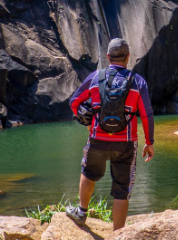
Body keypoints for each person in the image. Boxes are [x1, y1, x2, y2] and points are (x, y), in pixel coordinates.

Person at [66, 38, 155, 231]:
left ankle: (81, 213)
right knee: (122, 190)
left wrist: (88, 123)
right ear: (128, 57)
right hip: (126, 143)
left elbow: (74, 102)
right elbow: (147, 114)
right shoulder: (138, 81)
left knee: (88, 173)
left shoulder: (95, 77)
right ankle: (118, 234)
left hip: (98, 138)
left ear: (107, 57)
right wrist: (149, 142)